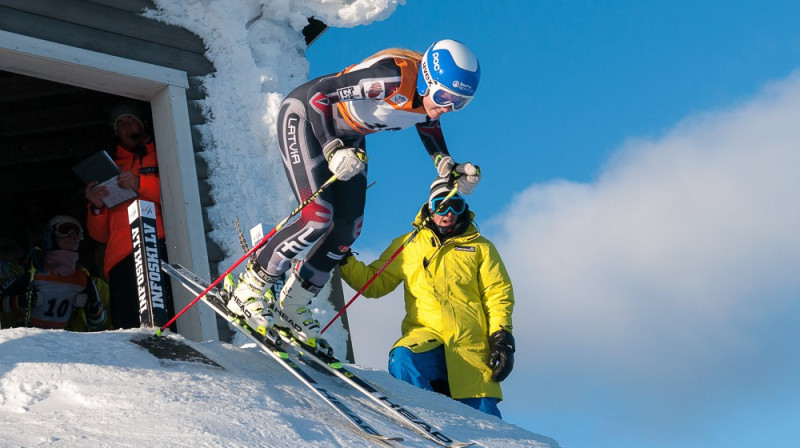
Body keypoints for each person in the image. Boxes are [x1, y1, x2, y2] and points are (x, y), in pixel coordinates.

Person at [226, 39, 484, 350]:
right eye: (444, 96)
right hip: (305, 120)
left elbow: (427, 120)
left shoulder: (430, 100)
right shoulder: (390, 78)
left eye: (460, 103)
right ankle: (249, 290)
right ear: (427, 78)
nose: (447, 107)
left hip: (349, 138)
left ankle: (294, 304)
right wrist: (332, 148)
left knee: (348, 229)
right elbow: (318, 95)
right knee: (317, 218)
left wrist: (446, 164)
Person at [338, 178, 515, 418]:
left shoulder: (480, 248)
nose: (449, 213)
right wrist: (344, 258)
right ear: (430, 207)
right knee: (403, 358)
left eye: (456, 206)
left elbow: (498, 294)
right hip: (427, 337)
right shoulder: (408, 245)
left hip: (470, 349)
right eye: (442, 205)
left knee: (487, 425)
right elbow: (374, 284)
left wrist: (501, 338)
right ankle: (423, 421)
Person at [83, 101, 171, 329]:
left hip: (158, 243)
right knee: (129, 327)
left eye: (130, 119)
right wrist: (97, 207)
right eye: (120, 123)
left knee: (166, 321)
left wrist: (140, 183)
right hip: (120, 256)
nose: (126, 126)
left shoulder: (165, 152)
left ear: (143, 124)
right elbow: (100, 236)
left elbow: (179, 194)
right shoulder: (110, 166)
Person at [0, 216, 108, 331]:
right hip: (27, 339)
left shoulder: (84, 279)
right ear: (50, 236)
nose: (71, 236)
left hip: (60, 342)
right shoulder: (33, 271)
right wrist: (20, 300)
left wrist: (93, 307)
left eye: (76, 233)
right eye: (64, 230)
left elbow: (99, 322)